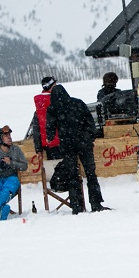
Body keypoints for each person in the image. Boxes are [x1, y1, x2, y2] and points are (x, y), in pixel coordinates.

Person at [45, 82, 109, 213]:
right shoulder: (78, 103)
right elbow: (90, 122)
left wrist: (50, 137)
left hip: (68, 145)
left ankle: (76, 206)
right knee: (91, 174)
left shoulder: (53, 108)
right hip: (83, 143)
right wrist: (89, 137)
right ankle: (96, 203)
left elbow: (50, 128)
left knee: (72, 175)